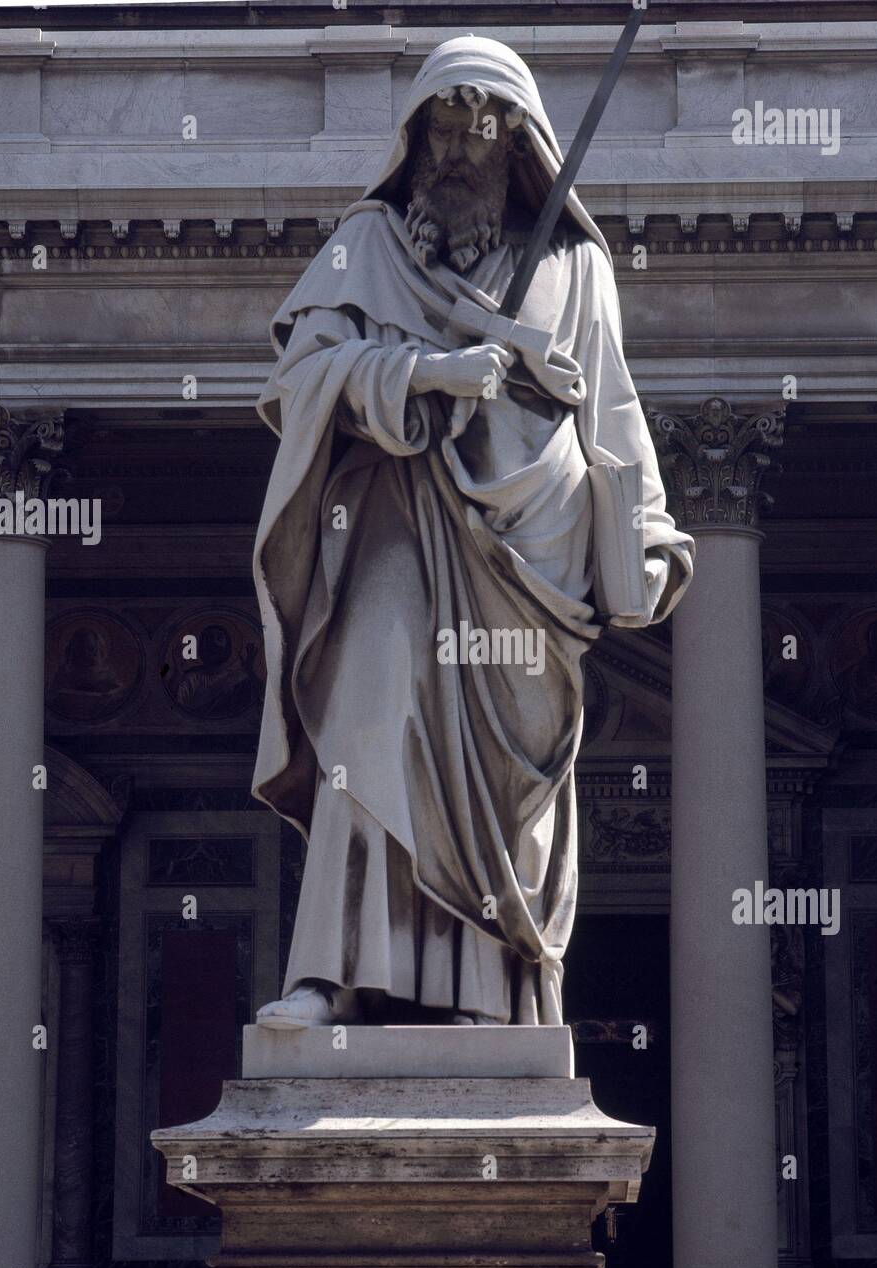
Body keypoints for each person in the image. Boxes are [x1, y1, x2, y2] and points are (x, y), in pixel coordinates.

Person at [251, 38, 693, 1028]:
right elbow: (298, 383)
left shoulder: (574, 268)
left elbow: (612, 417)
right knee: (367, 713)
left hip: (533, 554)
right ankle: (328, 973)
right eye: (440, 131)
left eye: (478, 132)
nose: (455, 153)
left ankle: (486, 996)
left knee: (505, 791)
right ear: (414, 144)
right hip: (398, 520)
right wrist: (423, 376)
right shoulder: (363, 246)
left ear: (516, 147)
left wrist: (651, 538)